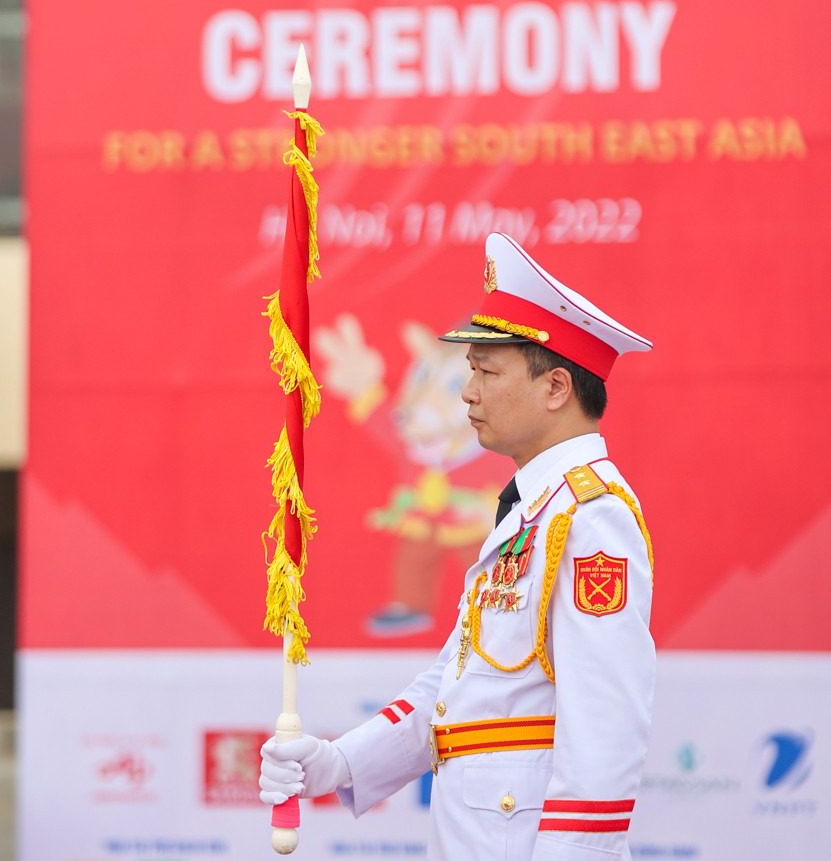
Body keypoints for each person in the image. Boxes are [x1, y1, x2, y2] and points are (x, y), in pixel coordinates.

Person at [260, 231, 656, 858]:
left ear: (556, 389)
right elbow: (453, 688)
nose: (467, 394)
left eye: (484, 372)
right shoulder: (531, 511)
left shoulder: (589, 519)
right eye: (466, 373)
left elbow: (607, 725)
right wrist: (337, 764)